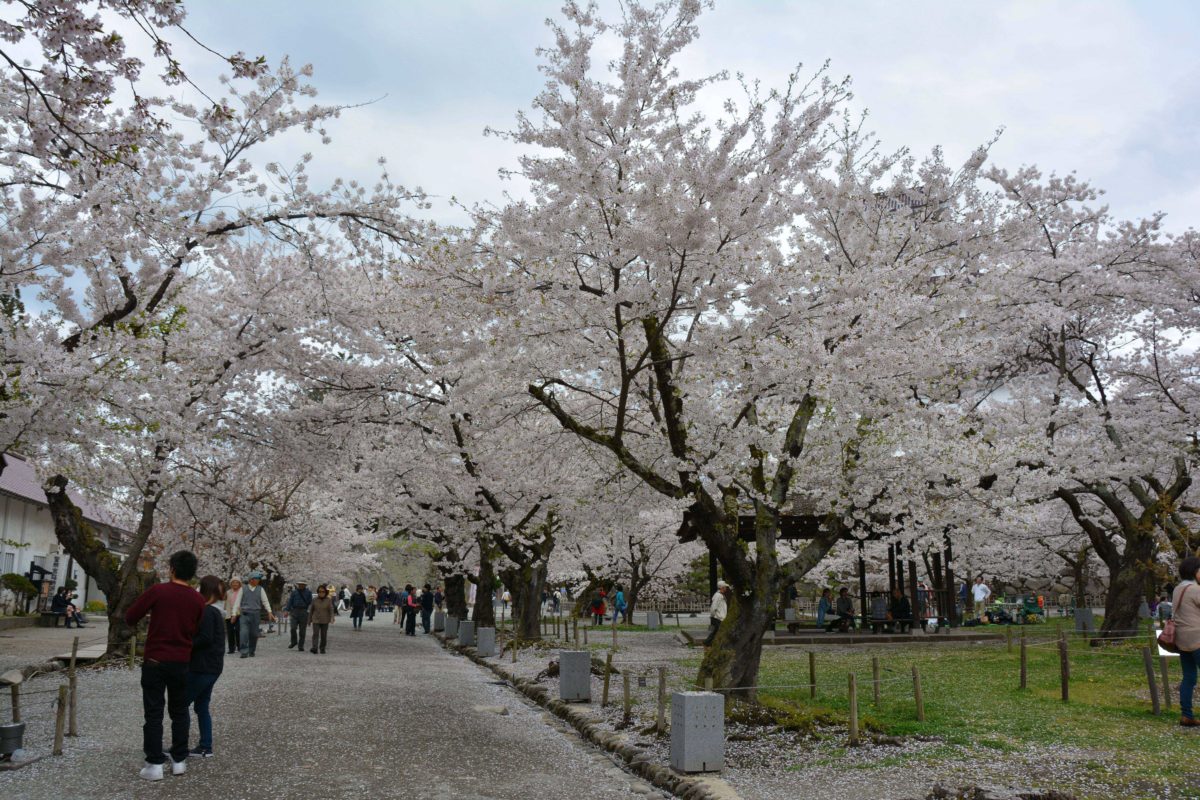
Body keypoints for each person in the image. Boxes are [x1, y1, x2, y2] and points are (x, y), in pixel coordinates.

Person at [125, 550, 205, 781]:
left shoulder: (158, 591)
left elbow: (131, 616)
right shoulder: (197, 599)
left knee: (154, 712)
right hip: (181, 661)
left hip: (155, 659)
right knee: (180, 711)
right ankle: (179, 760)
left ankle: (154, 763)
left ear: (172, 569)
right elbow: (196, 629)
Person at [186, 575, 226, 758]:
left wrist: (185, 644)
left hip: (202, 666)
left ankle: (180, 745)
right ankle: (205, 746)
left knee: (181, 704)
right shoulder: (215, 611)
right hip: (212, 667)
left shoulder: (208, 611)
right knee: (201, 706)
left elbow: (205, 638)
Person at [1173, 557, 1200, 727]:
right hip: (1198, 637)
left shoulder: (1178, 589)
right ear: (1194, 571)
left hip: (1182, 639)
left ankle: (1186, 715)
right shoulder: (1195, 590)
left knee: (1189, 678)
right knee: (1189, 677)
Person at [236, 571, 275, 658]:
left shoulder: (260, 589)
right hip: (244, 614)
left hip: (255, 614)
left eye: (258, 579)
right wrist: (234, 614)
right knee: (243, 633)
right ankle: (244, 651)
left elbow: (265, 601)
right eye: (257, 579)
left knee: (254, 634)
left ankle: (251, 650)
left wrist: (269, 612)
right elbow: (237, 602)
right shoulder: (243, 589)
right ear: (251, 580)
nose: (258, 580)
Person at [284, 580, 313, 652]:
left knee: (302, 630)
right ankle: (293, 641)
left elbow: (310, 603)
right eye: (299, 584)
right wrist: (287, 610)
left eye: (302, 584)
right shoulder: (294, 592)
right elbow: (290, 602)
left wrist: (310, 612)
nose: (301, 585)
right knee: (293, 628)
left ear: (305, 585)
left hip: (304, 611)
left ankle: (301, 645)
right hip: (294, 611)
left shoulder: (308, 592)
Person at [309, 584, 334, 654]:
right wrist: (309, 620)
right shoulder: (314, 600)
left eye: (323, 591)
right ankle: (314, 648)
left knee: (323, 635)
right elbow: (311, 610)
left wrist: (332, 618)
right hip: (316, 619)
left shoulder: (328, 600)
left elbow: (331, 610)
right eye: (319, 591)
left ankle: (322, 648)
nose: (321, 593)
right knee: (315, 634)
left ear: (325, 592)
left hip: (325, 620)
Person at [704, 581, 730, 646]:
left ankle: (708, 643)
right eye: (725, 587)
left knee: (716, 631)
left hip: (720, 617)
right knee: (718, 631)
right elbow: (714, 606)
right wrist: (713, 615)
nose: (726, 588)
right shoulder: (718, 595)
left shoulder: (720, 595)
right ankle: (707, 643)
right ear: (722, 587)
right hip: (718, 617)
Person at [223, 578, 242, 654]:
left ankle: (240, 646)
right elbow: (224, 602)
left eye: (237, 582)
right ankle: (231, 648)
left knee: (238, 630)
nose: (235, 584)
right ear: (231, 584)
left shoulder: (242, 592)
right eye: (233, 582)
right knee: (230, 632)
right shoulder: (227, 592)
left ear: (239, 584)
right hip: (229, 614)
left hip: (239, 614)